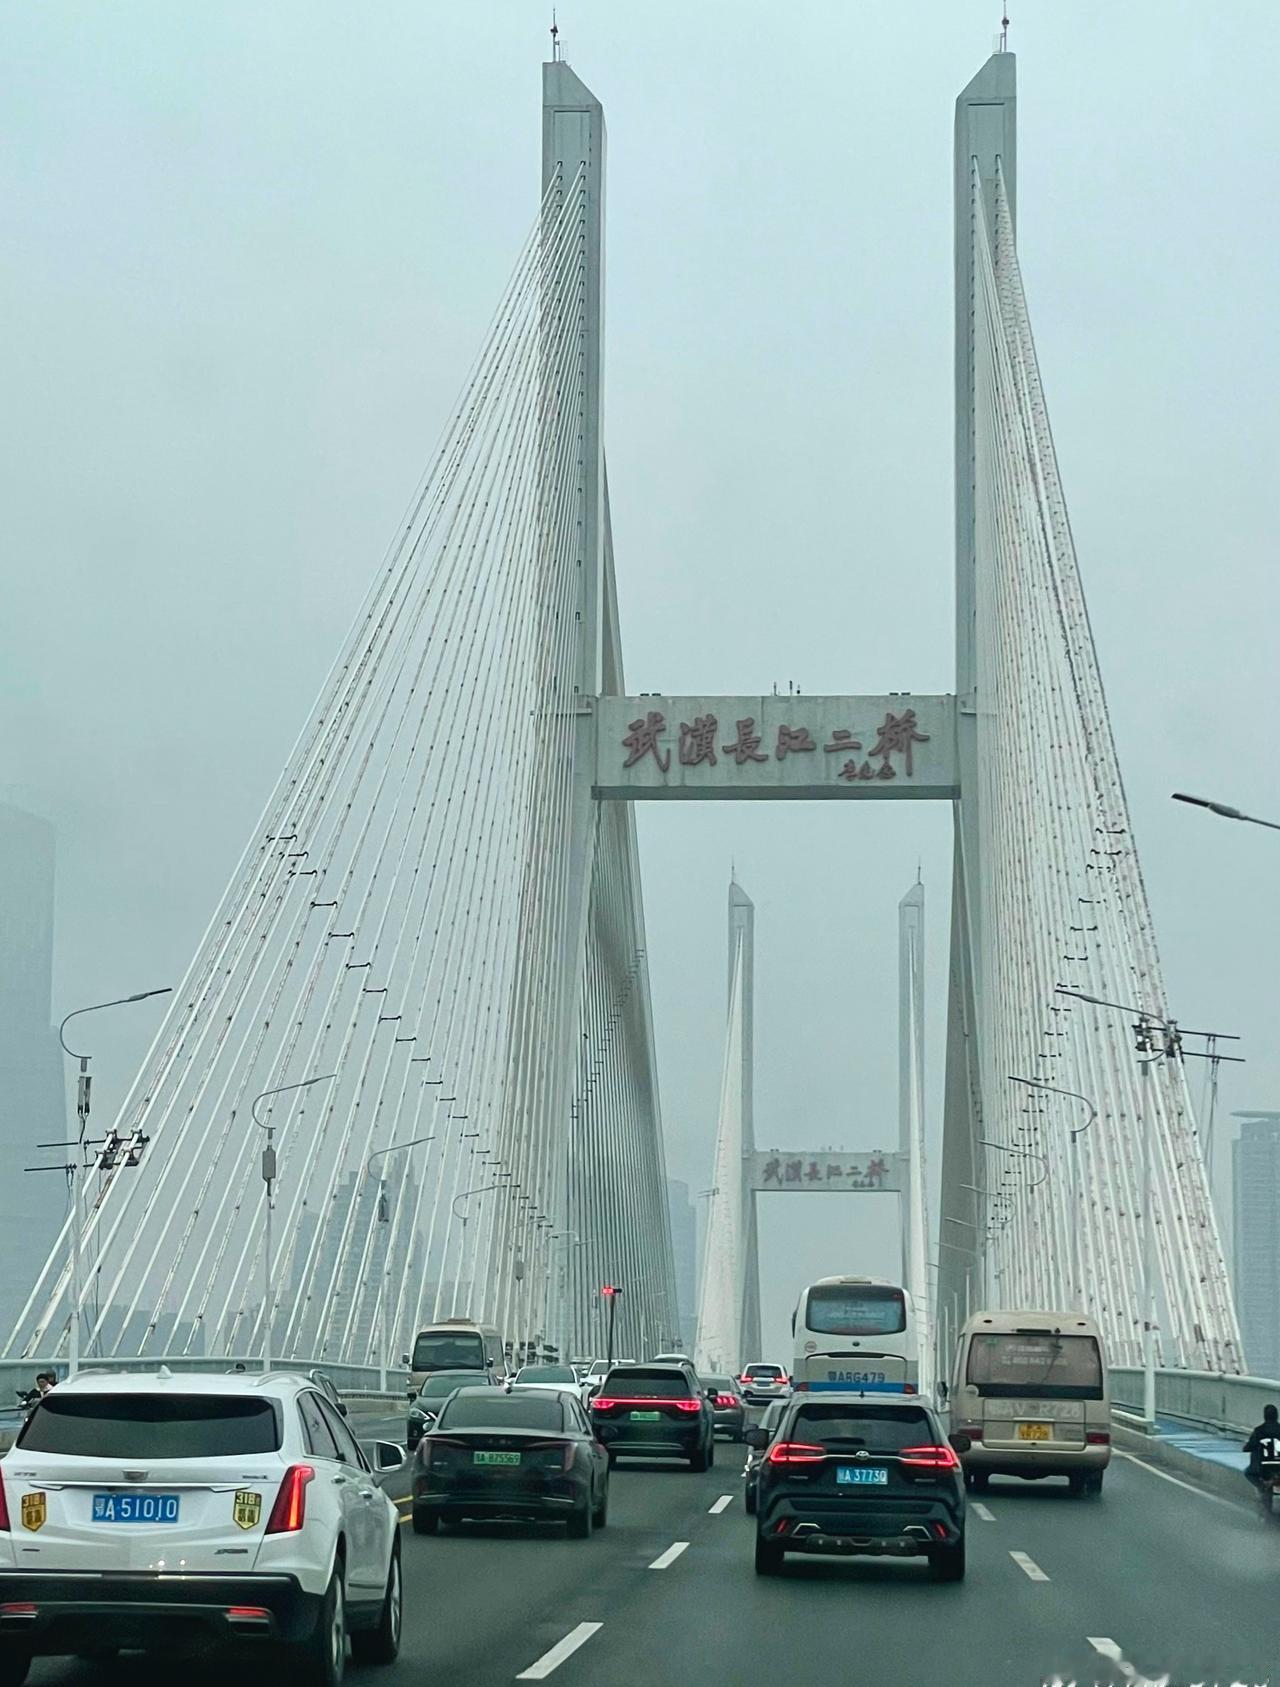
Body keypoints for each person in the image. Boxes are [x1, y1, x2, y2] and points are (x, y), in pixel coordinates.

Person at [1242, 1403, 1280, 1491]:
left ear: (1264, 1416)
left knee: (1248, 1473)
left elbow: (1247, 1448)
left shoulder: (1259, 1431)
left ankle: (1262, 1487)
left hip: (1262, 1469)